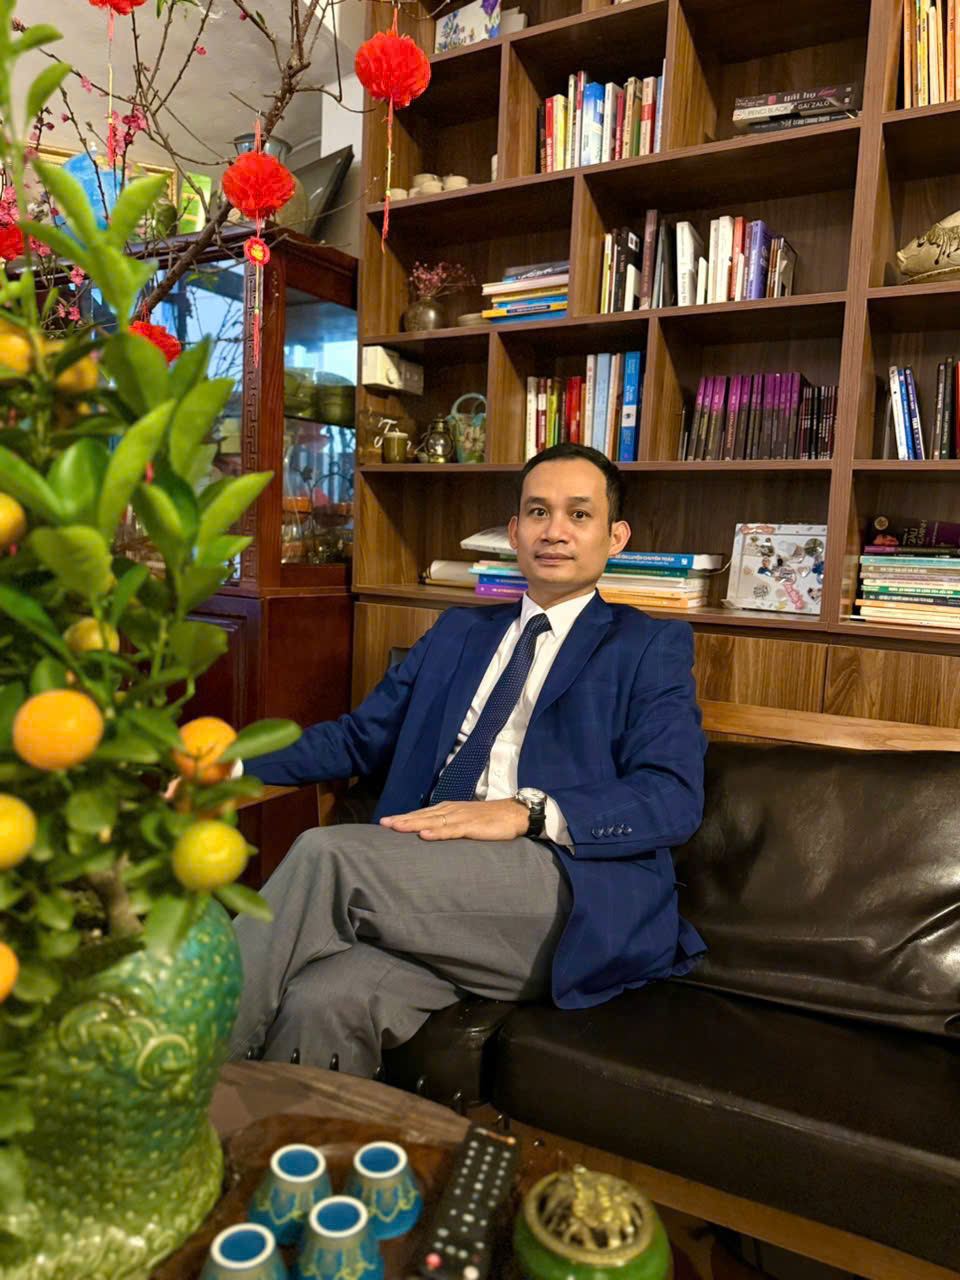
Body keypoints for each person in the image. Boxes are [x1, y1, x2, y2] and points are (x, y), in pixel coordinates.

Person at [228, 443, 707, 1075]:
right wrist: (227, 765)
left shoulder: (648, 644)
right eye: (537, 512)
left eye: (579, 514)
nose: (554, 531)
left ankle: (168, 1075)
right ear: (514, 532)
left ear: (615, 537)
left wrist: (526, 811)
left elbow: (672, 796)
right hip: (430, 876)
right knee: (323, 1002)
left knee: (328, 854)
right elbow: (356, 739)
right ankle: (267, 1138)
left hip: (560, 885)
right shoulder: (458, 633)